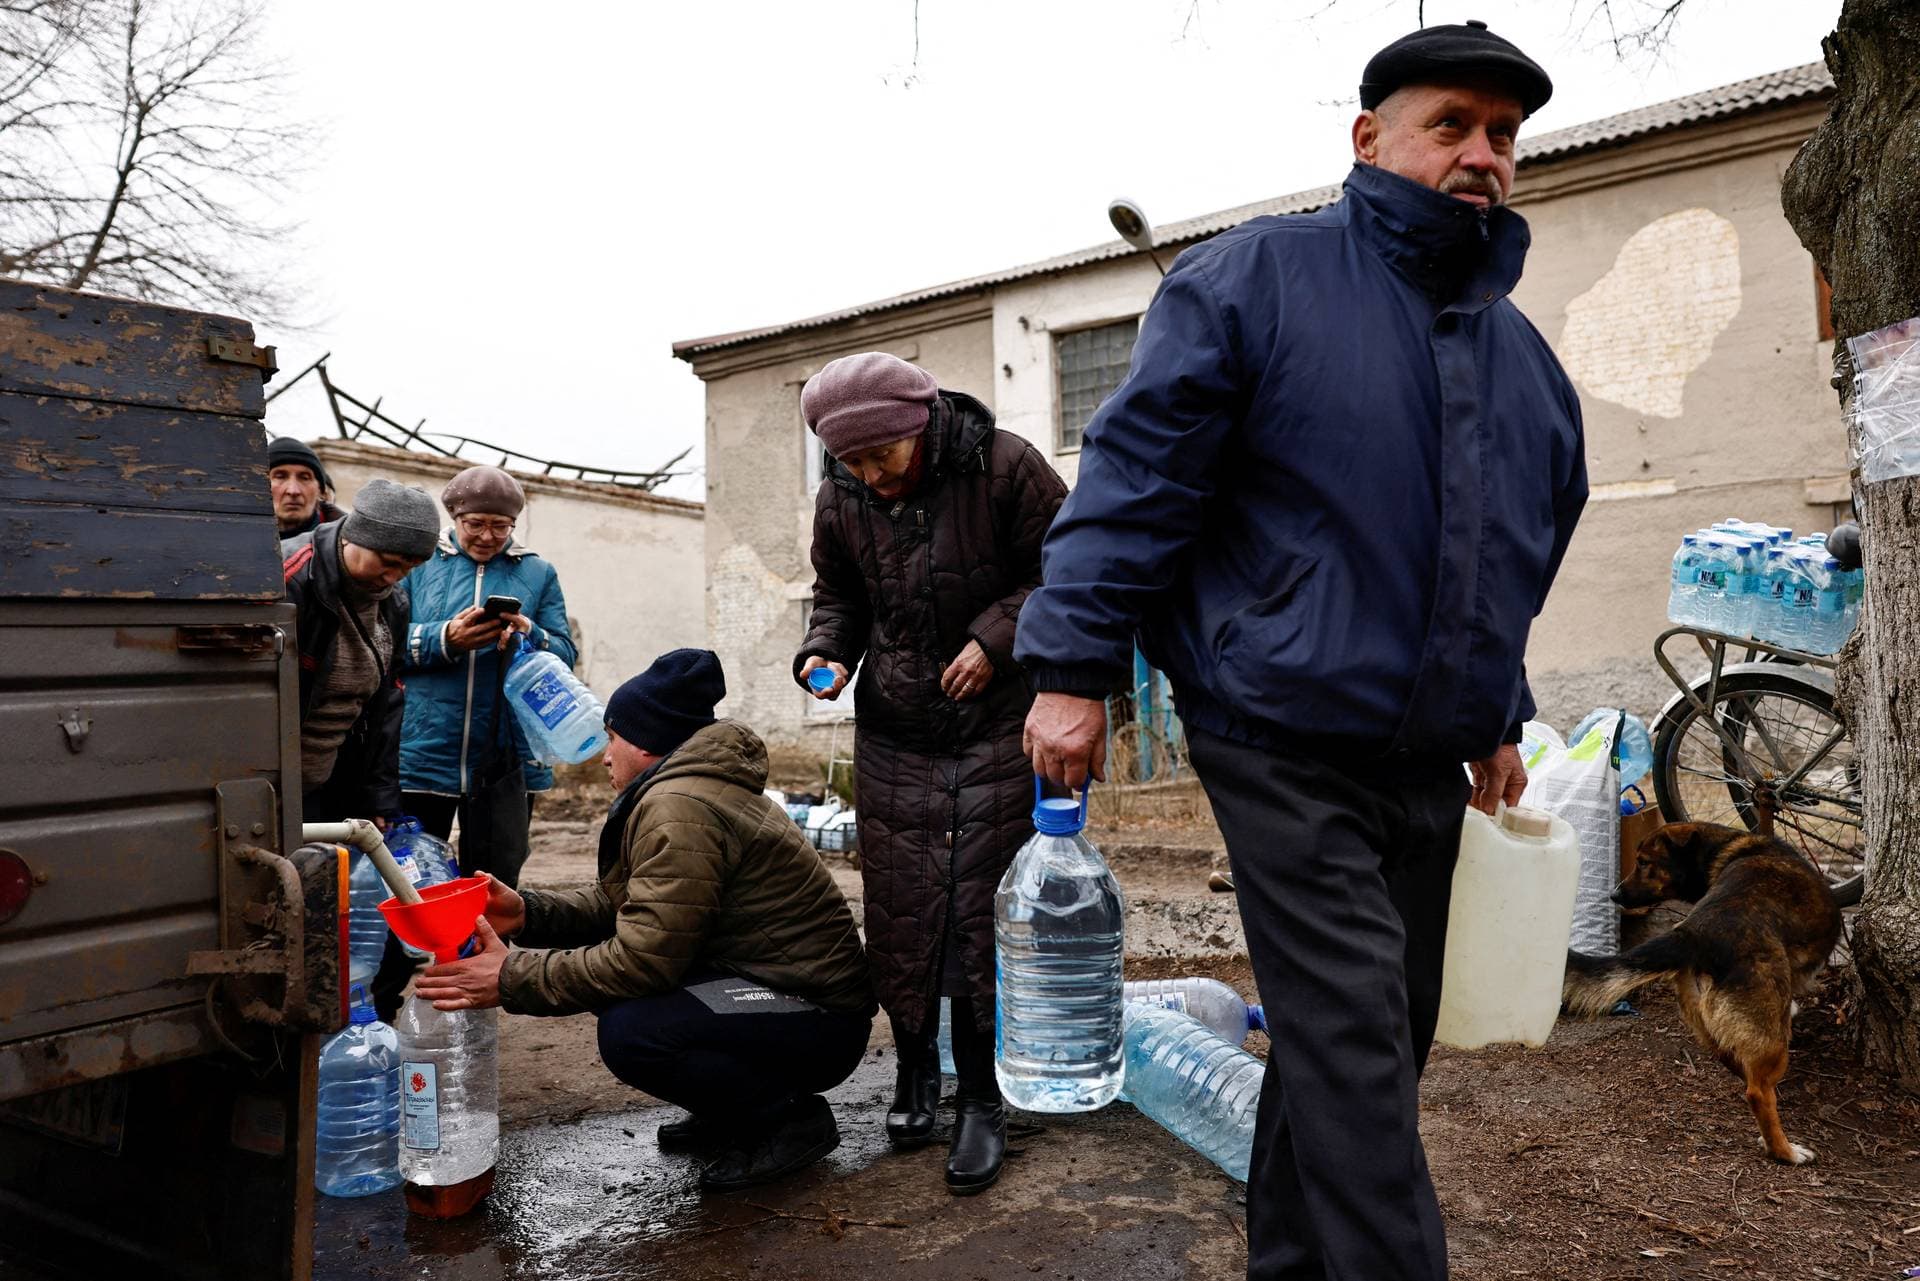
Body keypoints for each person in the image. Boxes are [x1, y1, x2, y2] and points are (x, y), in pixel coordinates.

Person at [1014, 22, 1587, 1281]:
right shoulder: (1253, 281)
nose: (1483, 154)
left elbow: (1507, 561)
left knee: (1372, 1045)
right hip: (1278, 730)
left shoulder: (1528, 367)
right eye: (1453, 124)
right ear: (1369, 138)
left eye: (1504, 135)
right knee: (1359, 1053)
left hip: (1427, 757)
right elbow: (1138, 482)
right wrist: (1071, 669)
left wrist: (1501, 710)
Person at [413, 649, 875, 1193]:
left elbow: (642, 960)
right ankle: (732, 1108)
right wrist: (527, 912)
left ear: (646, 742)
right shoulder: (689, 791)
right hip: (781, 993)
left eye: (612, 738)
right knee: (638, 1008)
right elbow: (631, 906)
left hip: (817, 1016)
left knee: (636, 1030)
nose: (604, 756)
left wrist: (510, 976)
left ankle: (786, 1120)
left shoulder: (682, 806)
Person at [792, 351, 1067, 1195]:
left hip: (998, 723)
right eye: (852, 463)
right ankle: (916, 1070)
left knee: (982, 910)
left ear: (919, 428)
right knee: (905, 905)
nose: (870, 477)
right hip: (897, 730)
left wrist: (994, 639)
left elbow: (1066, 569)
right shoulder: (844, 494)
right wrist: (825, 652)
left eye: (882, 457)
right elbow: (837, 593)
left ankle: (982, 1096)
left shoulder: (1006, 466)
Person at [397, 465, 577, 888]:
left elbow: (565, 655)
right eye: (475, 524)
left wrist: (529, 635)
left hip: (504, 755)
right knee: (410, 878)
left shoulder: (538, 573)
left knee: (493, 880)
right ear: (454, 519)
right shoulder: (418, 565)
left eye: (501, 526)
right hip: (421, 751)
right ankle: (409, 958)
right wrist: (445, 638)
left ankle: (488, 956)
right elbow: (381, 642)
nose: (487, 536)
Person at [282, 478, 440, 828]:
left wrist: (377, 797)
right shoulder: (289, 580)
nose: (394, 577)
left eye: (408, 568)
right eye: (388, 562)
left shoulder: (393, 603)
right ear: (356, 536)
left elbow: (386, 704)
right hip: (274, 784)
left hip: (334, 782)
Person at [267, 436, 343, 541]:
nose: (293, 491)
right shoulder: (239, 540)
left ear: (320, 491)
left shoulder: (348, 545)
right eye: (280, 477)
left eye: (304, 478)